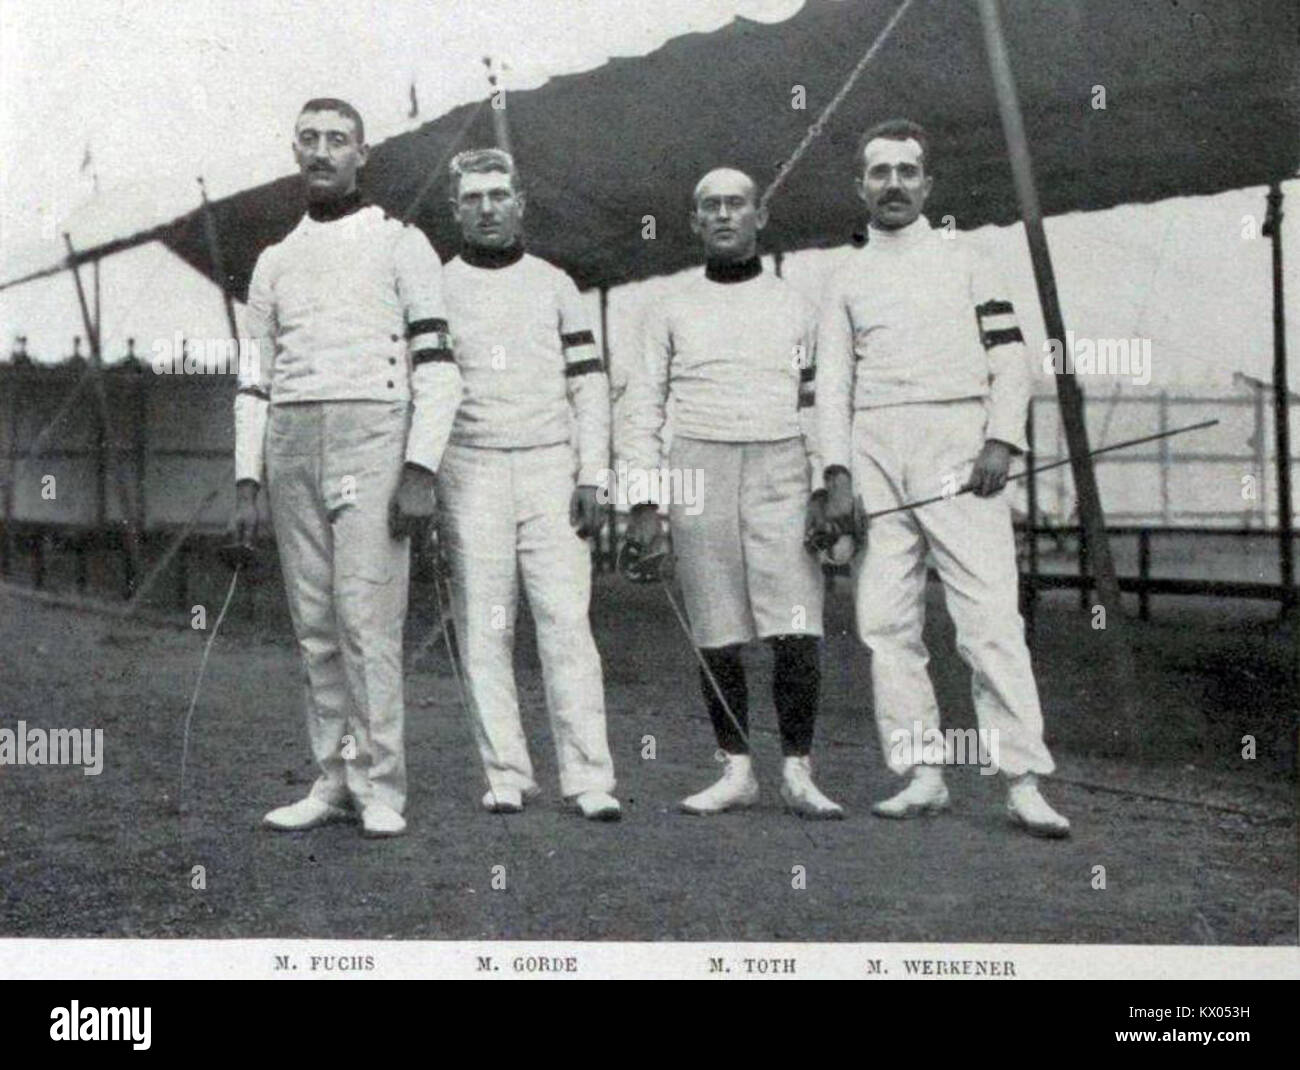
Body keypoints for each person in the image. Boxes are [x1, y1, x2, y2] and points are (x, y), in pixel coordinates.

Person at [814, 118, 1070, 837]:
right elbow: (831, 386)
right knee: (885, 621)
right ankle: (922, 772)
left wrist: (1000, 439)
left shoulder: (969, 258)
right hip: (874, 449)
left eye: (906, 171)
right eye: (879, 172)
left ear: (928, 184)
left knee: (988, 618)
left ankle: (1022, 779)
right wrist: (837, 473)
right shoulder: (843, 276)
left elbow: (1011, 358)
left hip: (961, 446)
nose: (892, 184)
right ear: (859, 186)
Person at [232, 98, 462, 838]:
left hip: (373, 436)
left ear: (363, 153)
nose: (323, 152)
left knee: (366, 618)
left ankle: (379, 785)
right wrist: (247, 477)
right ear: (294, 151)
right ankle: (331, 779)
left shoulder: (403, 244)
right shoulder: (273, 260)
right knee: (315, 623)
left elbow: (439, 367)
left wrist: (421, 465)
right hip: (293, 440)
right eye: (310, 140)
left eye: (338, 140)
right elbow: (253, 379)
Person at [621, 167, 842, 819]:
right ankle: (737, 769)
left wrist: (825, 482)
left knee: (796, 623)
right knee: (717, 628)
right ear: (694, 222)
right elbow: (642, 408)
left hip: (781, 465)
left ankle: (799, 773)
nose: (723, 215)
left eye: (736, 205)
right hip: (697, 466)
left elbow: (820, 403)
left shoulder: (799, 306)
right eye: (710, 207)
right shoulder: (668, 308)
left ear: (759, 217)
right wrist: (644, 502)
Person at [435, 148, 620, 821]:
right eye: (474, 198)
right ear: (456, 210)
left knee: (566, 621)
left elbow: (590, 387)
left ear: (520, 204)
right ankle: (506, 772)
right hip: (472, 467)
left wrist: (593, 475)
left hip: (549, 466)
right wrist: (424, 474)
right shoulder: (438, 287)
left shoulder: (555, 285)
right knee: (486, 625)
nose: (487, 208)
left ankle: (589, 777)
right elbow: (425, 389)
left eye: (499, 195)